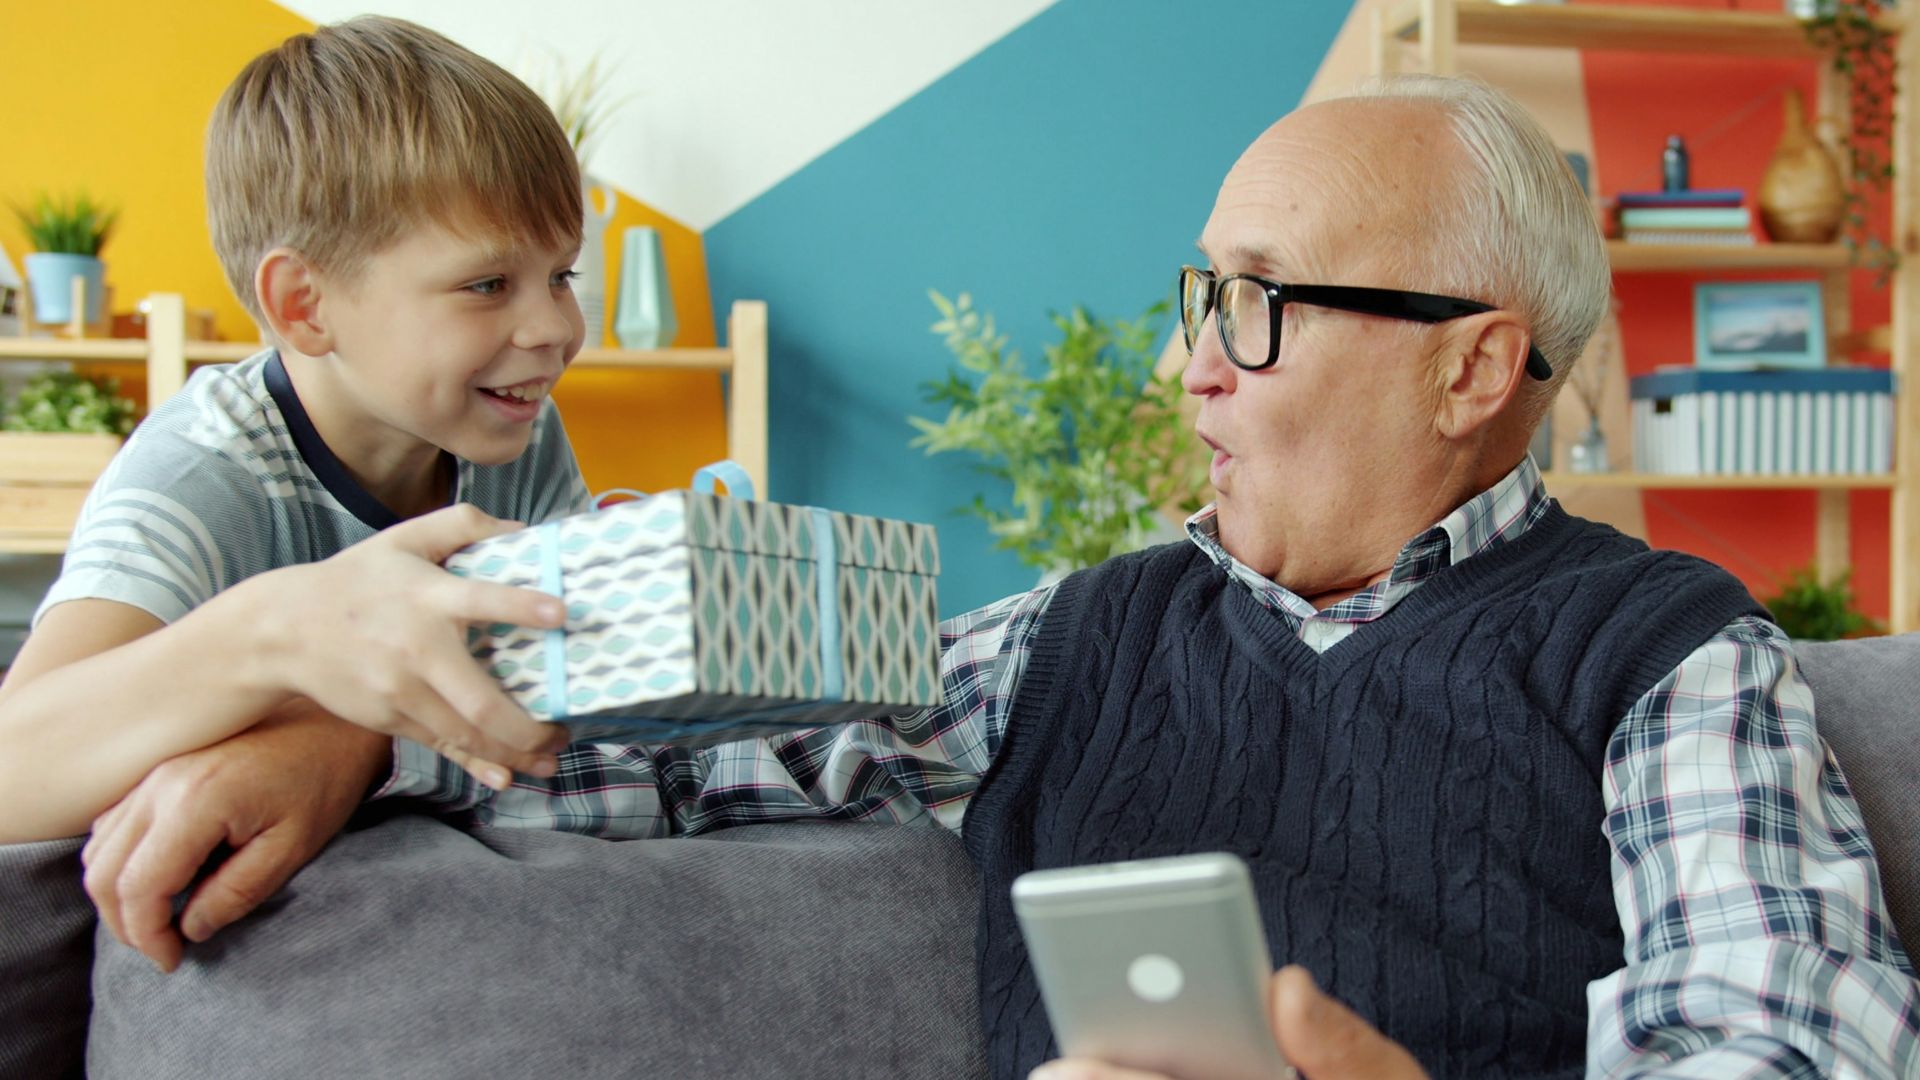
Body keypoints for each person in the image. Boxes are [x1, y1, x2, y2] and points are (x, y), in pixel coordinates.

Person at [22, 66, 1916, 1077]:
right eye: (1198, 300)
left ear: (1474, 367)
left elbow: (1792, 1045)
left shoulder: (1666, 658)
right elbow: (683, 751)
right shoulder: (1076, 637)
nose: (1187, 366)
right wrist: (354, 737)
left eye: (1254, 307)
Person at [0, 15, 589, 971]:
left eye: (560, 274)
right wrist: (274, 633)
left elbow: (559, 668)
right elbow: (12, 761)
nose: (554, 327)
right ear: (304, 306)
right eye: (488, 284)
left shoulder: (518, 429)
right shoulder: (205, 471)